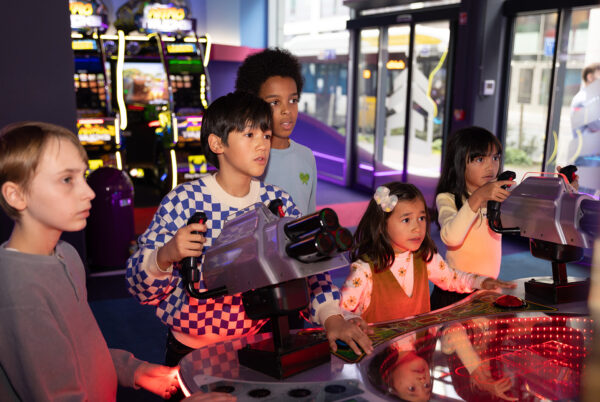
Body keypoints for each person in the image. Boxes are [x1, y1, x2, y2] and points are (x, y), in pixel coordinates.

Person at [126, 91, 372, 368]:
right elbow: (139, 288)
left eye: (266, 135)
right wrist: (165, 255)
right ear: (217, 143)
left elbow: (309, 270)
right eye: (249, 135)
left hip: (256, 343)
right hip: (190, 350)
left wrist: (332, 317)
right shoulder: (183, 201)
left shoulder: (276, 202)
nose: (262, 145)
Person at [0, 121, 211, 401]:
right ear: (16, 195)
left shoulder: (66, 255)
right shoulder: (18, 291)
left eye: (83, 175)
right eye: (67, 180)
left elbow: (81, 350)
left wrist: (134, 370)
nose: (89, 192)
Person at [340, 182, 514, 323]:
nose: (417, 227)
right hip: (380, 354)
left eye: (421, 218)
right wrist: (351, 320)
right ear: (382, 225)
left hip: (420, 350)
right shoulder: (364, 271)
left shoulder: (425, 258)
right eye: (406, 220)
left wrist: (481, 281)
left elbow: (451, 278)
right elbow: (340, 312)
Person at [430, 127, 515, 310]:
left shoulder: (498, 198)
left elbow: (532, 221)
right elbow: (451, 237)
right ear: (459, 163)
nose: (491, 166)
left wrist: (567, 190)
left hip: (486, 288)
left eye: (495, 158)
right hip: (455, 290)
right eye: (480, 159)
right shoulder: (448, 198)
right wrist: (477, 197)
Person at [235, 47, 317, 215]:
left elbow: (309, 216)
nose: (287, 110)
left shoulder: (306, 156)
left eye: (293, 100)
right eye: (274, 102)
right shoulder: (243, 158)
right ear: (253, 104)